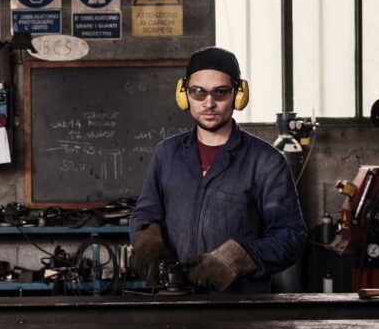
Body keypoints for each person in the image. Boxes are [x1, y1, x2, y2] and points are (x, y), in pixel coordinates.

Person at [130, 46, 307, 295]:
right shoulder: (166, 154)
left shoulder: (265, 162)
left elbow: (290, 237)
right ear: (184, 95)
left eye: (220, 92)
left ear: (238, 95)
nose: (209, 103)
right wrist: (147, 237)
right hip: (174, 304)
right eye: (198, 92)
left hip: (239, 311)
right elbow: (146, 213)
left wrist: (236, 258)